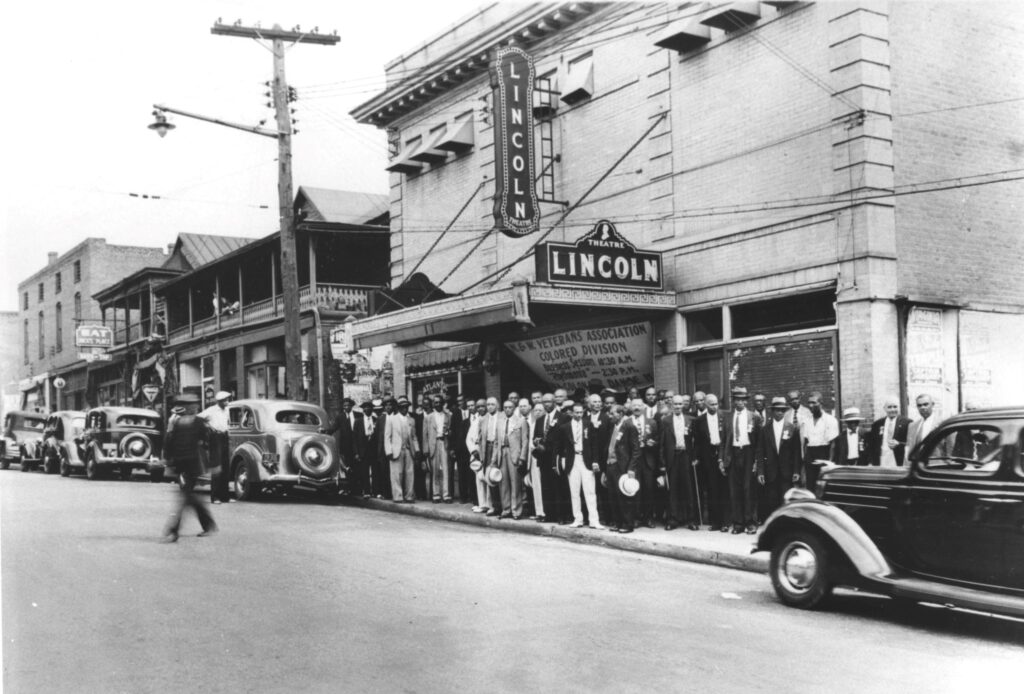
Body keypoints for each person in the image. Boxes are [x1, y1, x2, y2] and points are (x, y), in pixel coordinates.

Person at [162, 393, 216, 542]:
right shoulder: (177, 423)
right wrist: (167, 461)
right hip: (180, 465)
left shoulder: (200, 423)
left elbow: (210, 442)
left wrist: (213, 463)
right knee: (189, 497)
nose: (190, 408)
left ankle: (173, 531)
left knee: (185, 496)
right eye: (186, 406)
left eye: (192, 406)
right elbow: (170, 442)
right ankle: (208, 525)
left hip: (192, 465)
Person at [557, 403, 604, 529]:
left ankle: (594, 520)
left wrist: (595, 461)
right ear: (571, 413)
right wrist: (563, 461)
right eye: (576, 412)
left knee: (590, 491)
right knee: (574, 492)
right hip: (572, 461)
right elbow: (561, 447)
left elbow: (595, 445)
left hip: (586, 460)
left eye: (580, 412)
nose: (578, 415)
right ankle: (578, 519)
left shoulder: (589, 424)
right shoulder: (564, 427)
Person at [756, 396, 802, 517]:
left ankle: (786, 523)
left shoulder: (792, 428)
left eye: (782, 410)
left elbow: (797, 452)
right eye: (777, 410)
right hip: (770, 471)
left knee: (786, 499)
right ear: (772, 411)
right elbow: (760, 452)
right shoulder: (765, 429)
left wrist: (796, 471)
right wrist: (760, 472)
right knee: (772, 499)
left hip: (786, 471)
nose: (780, 412)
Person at [693, 393, 731, 531]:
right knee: (712, 489)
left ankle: (726, 521)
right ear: (706, 405)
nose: (715, 406)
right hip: (708, 457)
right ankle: (716, 522)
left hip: (723, 454)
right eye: (711, 404)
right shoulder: (699, 421)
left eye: (716, 404)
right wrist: (696, 457)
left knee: (724, 489)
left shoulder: (725, 416)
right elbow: (697, 442)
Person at [661, 394, 698, 530]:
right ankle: (673, 519)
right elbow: (662, 443)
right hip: (673, 457)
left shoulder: (690, 420)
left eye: (680, 404)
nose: (677, 406)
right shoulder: (665, 420)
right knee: (673, 489)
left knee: (689, 488)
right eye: (675, 404)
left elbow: (695, 442)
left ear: (683, 405)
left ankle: (691, 520)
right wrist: (663, 462)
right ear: (671, 405)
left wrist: (694, 457)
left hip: (686, 457)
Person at [727, 387, 760, 534]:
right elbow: (724, 440)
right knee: (735, 491)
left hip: (748, 453)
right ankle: (738, 523)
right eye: (737, 399)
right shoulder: (728, 417)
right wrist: (723, 458)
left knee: (748, 489)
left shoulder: (754, 417)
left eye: (742, 400)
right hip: (734, 454)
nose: (740, 402)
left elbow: (759, 442)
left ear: (746, 401)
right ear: (733, 401)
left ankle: (750, 522)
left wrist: (756, 461)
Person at [490, 400, 528, 519]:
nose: (507, 410)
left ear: (514, 408)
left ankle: (516, 510)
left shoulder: (521, 421)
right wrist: (494, 459)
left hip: (514, 455)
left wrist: (522, 457)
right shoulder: (500, 421)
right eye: (505, 407)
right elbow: (496, 442)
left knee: (515, 483)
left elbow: (525, 441)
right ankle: (506, 509)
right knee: (503, 483)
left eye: (510, 407)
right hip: (503, 453)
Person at [604, 404, 640, 533]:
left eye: (612, 413)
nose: (610, 416)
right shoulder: (613, 427)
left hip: (623, 467)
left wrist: (631, 468)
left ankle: (627, 524)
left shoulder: (629, 427)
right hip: (611, 465)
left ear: (620, 414)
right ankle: (617, 522)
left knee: (624, 497)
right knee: (613, 496)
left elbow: (636, 450)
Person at [632, 395, 662, 528]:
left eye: (639, 405)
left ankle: (649, 518)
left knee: (649, 490)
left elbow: (658, 440)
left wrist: (653, 443)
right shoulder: (627, 422)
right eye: (634, 405)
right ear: (631, 408)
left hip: (648, 460)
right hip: (634, 461)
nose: (637, 407)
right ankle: (637, 517)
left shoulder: (652, 422)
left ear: (644, 407)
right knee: (635, 489)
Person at [327, 397, 366, 496]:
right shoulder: (340, 417)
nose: (346, 407)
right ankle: (349, 488)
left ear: (352, 406)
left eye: (348, 405)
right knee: (348, 468)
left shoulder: (358, 415)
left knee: (358, 467)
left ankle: (359, 489)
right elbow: (334, 428)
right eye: (344, 406)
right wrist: (325, 432)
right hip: (346, 446)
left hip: (357, 445)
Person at [199, 390, 233, 504]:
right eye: (225, 400)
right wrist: (208, 427)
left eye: (227, 400)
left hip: (224, 436)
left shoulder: (227, 410)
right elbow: (199, 419)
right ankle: (215, 497)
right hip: (216, 437)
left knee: (225, 466)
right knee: (217, 466)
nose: (227, 402)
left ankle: (225, 496)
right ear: (220, 401)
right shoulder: (212, 410)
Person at [384, 397, 419, 503]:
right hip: (396, 450)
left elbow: (414, 437)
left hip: (408, 449)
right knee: (397, 474)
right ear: (398, 408)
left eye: (406, 407)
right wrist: (389, 451)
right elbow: (387, 436)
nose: (405, 409)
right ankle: (398, 496)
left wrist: (417, 449)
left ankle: (409, 495)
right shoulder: (392, 419)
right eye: (402, 407)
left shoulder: (411, 420)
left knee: (409, 473)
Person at [802, 392, 838, 491]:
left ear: (821, 403)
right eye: (809, 403)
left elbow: (833, 444)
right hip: (810, 455)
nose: (810, 406)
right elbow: (805, 442)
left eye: (813, 403)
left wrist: (829, 463)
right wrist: (806, 462)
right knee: (811, 486)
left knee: (823, 486)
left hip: (824, 453)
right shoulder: (806, 420)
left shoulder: (830, 420)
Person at [423, 395, 452, 503]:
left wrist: (448, 433)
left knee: (446, 470)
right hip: (433, 444)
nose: (438, 404)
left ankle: (446, 494)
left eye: (439, 402)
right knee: (435, 471)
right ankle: (436, 494)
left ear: (442, 403)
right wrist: (425, 450)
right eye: (435, 402)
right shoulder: (428, 417)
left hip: (444, 443)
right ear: (433, 404)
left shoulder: (448, 415)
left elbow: (450, 430)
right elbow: (425, 434)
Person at [868, 397, 911, 466]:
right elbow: (872, 445)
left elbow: (911, 444)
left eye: (895, 407)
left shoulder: (907, 423)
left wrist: (899, 444)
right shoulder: (877, 424)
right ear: (884, 408)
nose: (892, 410)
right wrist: (871, 461)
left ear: (899, 407)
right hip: (882, 458)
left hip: (898, 459)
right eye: (889, 407)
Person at [450, 394, 474, 503]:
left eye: (462, 401)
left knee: (471, 472)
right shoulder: (455, 414)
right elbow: (453, 432)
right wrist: (453, 448)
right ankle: (463, 496)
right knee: (461, 473)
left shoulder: (472, 412)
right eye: (458, 401)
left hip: (470, 448)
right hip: (460, 448)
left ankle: (472, 495)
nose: (460, 403)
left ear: (465, 401)